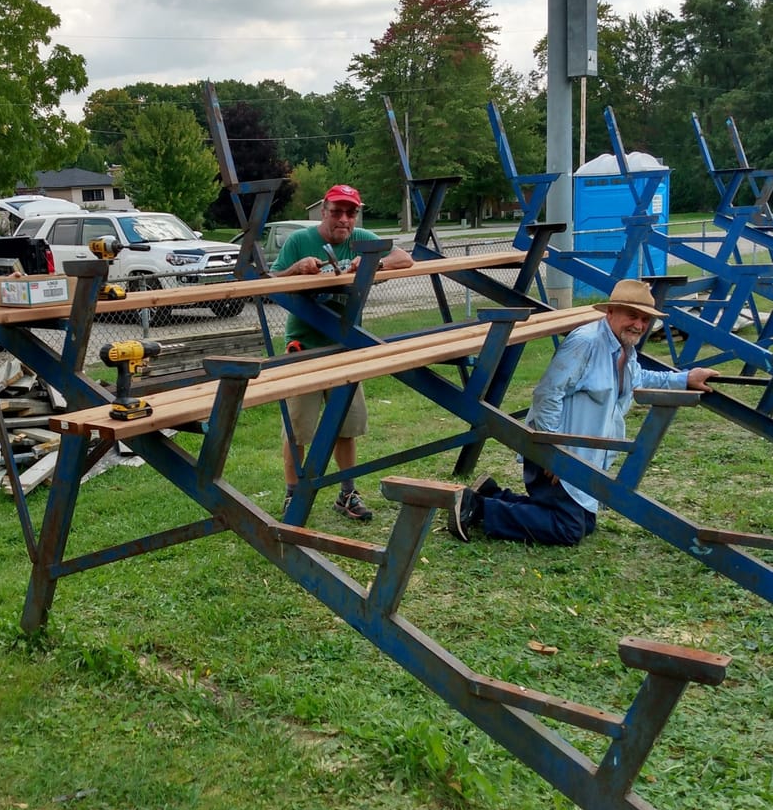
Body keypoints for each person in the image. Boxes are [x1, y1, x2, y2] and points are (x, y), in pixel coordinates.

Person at [447, 279, 717, 545]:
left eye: (645, 319)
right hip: (553, 453)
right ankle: (478, 508)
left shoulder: (624, 347)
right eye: (632, 316)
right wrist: (553, 452)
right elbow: (547, 394)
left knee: (585, 523)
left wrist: (685, 378)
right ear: (610, 312)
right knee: (569, 528)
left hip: (582, 456)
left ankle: (493, 496)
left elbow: (638, 378)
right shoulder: (585, 342)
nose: (639, 325)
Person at [271, 184, 413, 521]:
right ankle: (293, 495)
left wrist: (373, 262)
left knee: (346, 426)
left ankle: (347, 494)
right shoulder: (299, 241)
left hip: (346, 347)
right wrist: (296, 269)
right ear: (324, 211)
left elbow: (405, 258)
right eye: (337, 212)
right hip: (304, 348)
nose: (344, 219)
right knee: (297, 430)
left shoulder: (361, 238)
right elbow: (270, 280)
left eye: (351, 213)